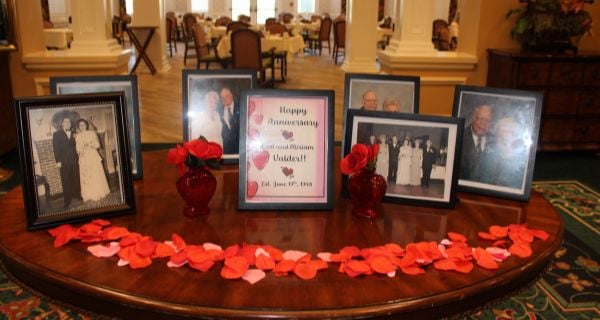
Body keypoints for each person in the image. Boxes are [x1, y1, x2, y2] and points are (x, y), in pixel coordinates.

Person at [474, 117, 528, 189]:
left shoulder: (522, 165)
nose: (503, 140)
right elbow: (474, 181)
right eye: (499, 136)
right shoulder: (486, 159)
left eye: (507, 136)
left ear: (516, 137)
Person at [75, 119, 110, 202]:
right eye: (80, 125)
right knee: (86, 175)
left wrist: (91, 145)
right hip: (84, 157)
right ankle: (89, 194)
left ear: (86, 125)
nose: (82, 126)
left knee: (95, 173)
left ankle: (98, 192)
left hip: (92, 156)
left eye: (83, 124)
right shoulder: (78, 136)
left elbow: (98, 145)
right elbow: (77, 149)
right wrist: (82, 148)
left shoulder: (92, 133)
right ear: (79, 127)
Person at [52, 117, 81, 209]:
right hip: (63, 162)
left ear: (70, 124)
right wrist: (58, 161)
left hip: (74, 160)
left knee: (76, 178)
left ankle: (76, 194)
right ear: (62, 124)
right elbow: (55, 149)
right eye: (65, 121)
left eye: (69, 121)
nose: (67, 123)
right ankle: (67, 200)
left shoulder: (74, 133)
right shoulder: (56, 134)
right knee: (66, 180)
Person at [460, 104, 493, 181]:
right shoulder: (459, 135)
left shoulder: (495, 141)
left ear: (491, 123)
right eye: (481, 119)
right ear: (473, 118)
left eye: (487, 121)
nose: (483, 124)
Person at [219, 87, 239, 154]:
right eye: (222, 97)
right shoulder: (219, 111)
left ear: (231, 95)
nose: (225, 99)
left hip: (240, 148)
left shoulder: (241, 106)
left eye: (227, 96)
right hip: (226, 150)